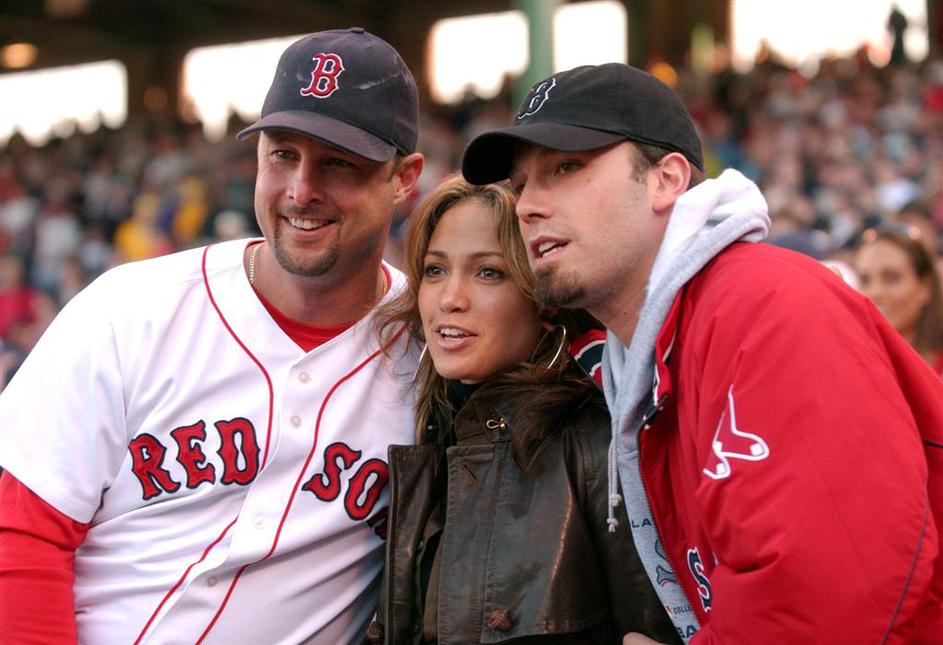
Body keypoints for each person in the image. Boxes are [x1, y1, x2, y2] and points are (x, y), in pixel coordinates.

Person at [461, 63, 943, 644]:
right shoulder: (653, 346)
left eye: (565, 168)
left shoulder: (765, 305)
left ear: (666, 180)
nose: (527, 206)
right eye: (520, 185)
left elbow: (829, 608)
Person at [0, 28, 423, 644]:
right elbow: (20, 533)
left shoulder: (434, 349)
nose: (301, 190)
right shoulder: (130, 309)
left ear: (405, 178)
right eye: (282, 155)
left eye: (338, 162)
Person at [368, 176, 678, 644]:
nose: (450, 298)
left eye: (488, 273)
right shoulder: (427, 428)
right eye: (435, 270)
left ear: (545, 297)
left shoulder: (602, 446)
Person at [856, 224, 943, 376]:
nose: (875, 292)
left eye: (891, 278)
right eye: (865, 280)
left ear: (926, 286)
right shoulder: (855, 365)